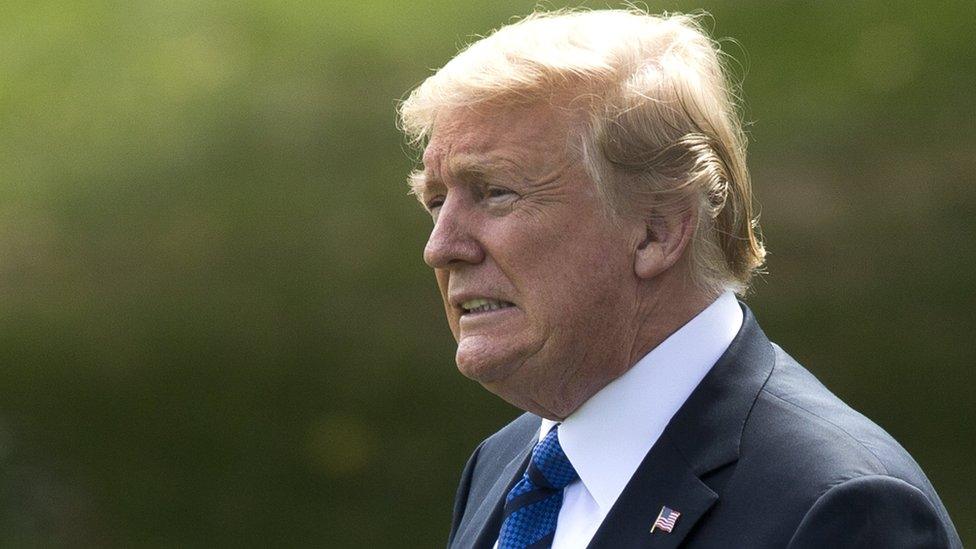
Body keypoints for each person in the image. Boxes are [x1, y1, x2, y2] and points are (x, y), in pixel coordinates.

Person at [398, 8, 961, 549]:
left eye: (496, 193)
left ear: (657, 232)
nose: (440, 248)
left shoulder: (843, 509)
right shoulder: (505, 464)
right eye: (437, 201)